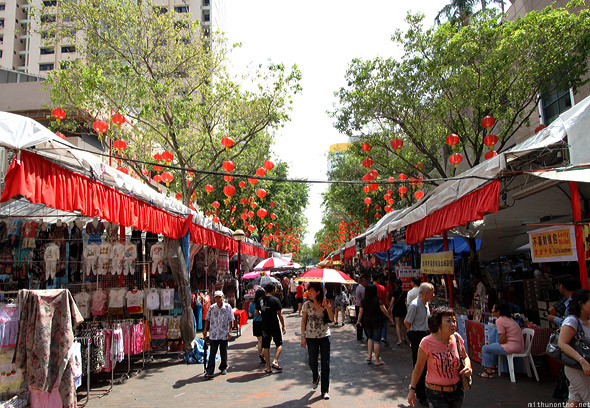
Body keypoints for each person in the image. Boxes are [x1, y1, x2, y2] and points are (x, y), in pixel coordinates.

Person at [407, 306, 472, 408]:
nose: (453, 324)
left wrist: (468, 367)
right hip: (435, 393)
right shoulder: (427, 342)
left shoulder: (457, 338)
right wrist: (412, 389)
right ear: (438, 323)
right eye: (448, 321)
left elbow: (465, 357)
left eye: (454, 321)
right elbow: (418, 367)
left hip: (457, 391)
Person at [301, 282, 334, 400]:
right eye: (308, 291)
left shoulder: (325, 303)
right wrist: (303, 336)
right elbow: (304, 321)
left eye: (311, 291)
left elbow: (332, 319)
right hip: (311, 337)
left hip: (325, 336)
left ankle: (325, 390)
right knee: (312, 362)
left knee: (326, 364)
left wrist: (327, 307)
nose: (309, 293)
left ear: (318, 292)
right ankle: (316, 376)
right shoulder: (306, 305)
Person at [405, 282, 435, 406]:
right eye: (432, 292)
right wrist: (413, 335)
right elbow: (407, 322)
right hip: (418, 336)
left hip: (425, 335)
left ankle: (423, 390)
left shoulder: (426, 304)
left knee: (426, 365)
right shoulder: (415, 305)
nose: (434, 295)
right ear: (426, 293)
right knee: (419, 366)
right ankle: (421, 394)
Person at [558, 289, 590, 406]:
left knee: (574, 402)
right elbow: (562, 343)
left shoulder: (587, 321)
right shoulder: (572, 321)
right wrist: (582, 361)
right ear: (581, 303)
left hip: (585, 366)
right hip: (576, 367)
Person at [478, 301, 524, 378]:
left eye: (493, 309)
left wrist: (498, 344)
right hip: (519, 346)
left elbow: (502, 338)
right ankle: (492, 367)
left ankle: (488, 371)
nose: (492, 310)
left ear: (498, 312)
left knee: (485, 348)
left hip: (511, 346)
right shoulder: (510, 318)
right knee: (492, 346)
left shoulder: (500, 321)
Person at [357, 284, 394, 366]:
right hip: (377, 321)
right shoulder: (378, 300)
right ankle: (377, 360)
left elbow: (360, 312)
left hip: (367, 322)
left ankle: (369, 356)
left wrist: (358, 321)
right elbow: (383, 310)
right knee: (377, 340)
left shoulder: (363, 301)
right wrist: (390, 318)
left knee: (370, 338)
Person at [202, 290, 234, 379]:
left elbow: (231, 320)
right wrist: (205, 330)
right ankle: (210, 371)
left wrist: (229, 331)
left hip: (223, 333)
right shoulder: (212, 308)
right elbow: (207, 319)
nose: (218, 299)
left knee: (223, 352)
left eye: (220, 297)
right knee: (212, 352)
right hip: (214, 334)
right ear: (214, 298)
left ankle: (223, 367)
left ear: (223, 297)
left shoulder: (228, 307)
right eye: (216, 297)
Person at [257, 283, 287, 374]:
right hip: (274, 323)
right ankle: (275, 360)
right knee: (279, 343)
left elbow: (256, 311)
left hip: (264, 324)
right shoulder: (275, 300)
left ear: (265, 291)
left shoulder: (260, 300)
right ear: (273, 290)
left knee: (266, 346)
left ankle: (269, 368)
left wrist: (263, 313)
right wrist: (283, 326)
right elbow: (279, 314)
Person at [248, 288, 266, 365]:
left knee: (259, 340)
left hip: (256, 323)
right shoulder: (264, 303)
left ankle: (260, 355)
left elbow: (250, 315)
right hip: (263, 322)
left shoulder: (251, 304)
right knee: (265, 340)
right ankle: (263, 354)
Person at [390, 279, 408, 346]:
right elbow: (406, 301)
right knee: (403, 323)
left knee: (397, 324)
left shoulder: (394, 292)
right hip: (403, 308)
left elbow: (392, 301)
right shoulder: (404, 292)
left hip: (396, 309)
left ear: (395, 284)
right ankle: (404, 337)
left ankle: (399, 339)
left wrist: (389, 309)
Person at [355, 276, 366, 341]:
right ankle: (360, 335)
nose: (365, 283)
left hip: (358, 305)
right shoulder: (362, 289)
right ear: (362, 282)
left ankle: (359, 335)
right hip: (361, 306)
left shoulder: (357, 287)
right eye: (364, 281)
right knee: (361, 320)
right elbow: (364, 298)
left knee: (358, 319)